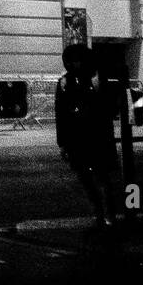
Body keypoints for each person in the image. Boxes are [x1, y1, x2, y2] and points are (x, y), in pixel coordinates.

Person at [55, 44, 119, 228]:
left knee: (101, 178)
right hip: (80, 138)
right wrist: (63, 143)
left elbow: (109, 107)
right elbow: (62, 115)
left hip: (96, 136)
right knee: (88, 178)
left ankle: (107, 213)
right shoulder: (65, 82)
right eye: (71, 61)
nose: (74, 64)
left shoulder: (96, 78)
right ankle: (101, 212)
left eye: (77, 60)